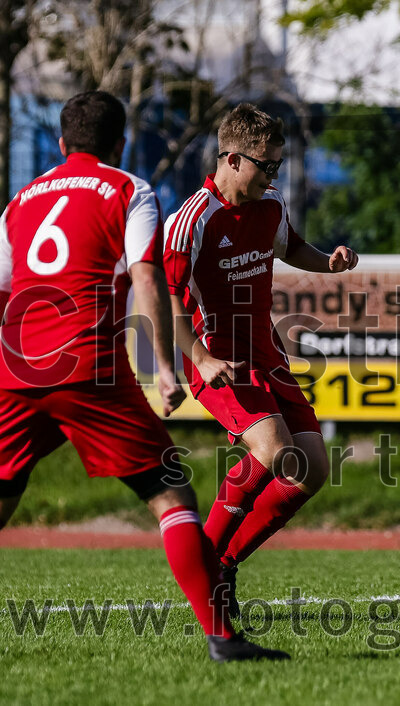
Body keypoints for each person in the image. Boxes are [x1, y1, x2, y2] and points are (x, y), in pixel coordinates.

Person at [0, 91, 286, 661]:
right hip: (85, 367)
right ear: (121, 142)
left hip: (15, 368)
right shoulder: (130, 190)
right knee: (169, 493)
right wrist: (163, 368)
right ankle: (223, 639)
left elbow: (3, 290)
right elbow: (148, 279)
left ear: (60, 144)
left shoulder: (18, 201)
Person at [163, 103, 358, 617]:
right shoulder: (191, 221)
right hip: (217, 358)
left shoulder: (270, 205)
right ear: (231, 160)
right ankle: (207, 563)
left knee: (311, 471)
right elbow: (165, 298)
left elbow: (289, 247)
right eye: (264, 165)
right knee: (275, 451)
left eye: (277, 165)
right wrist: (201, 359)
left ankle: (222, 562)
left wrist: (327, 263)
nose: (273, 175)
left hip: (265, 353)